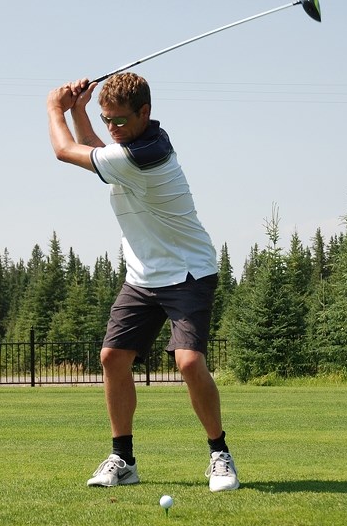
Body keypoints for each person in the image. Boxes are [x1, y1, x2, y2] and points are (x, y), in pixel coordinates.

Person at [46, 72, 239, 493]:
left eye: (118, 120)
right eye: (105, 119)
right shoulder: (134, 147)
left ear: (144, 113)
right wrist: (80, 110)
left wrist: (54, 107)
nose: (111, 128)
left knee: (188, 362)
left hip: (188, 271)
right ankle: (123, 458)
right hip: (142, 274)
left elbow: (66, 150)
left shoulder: (145, 157)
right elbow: (99, 152)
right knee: (113, 357)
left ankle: (219, 454)